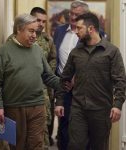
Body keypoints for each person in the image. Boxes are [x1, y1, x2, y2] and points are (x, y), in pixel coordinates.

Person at [0, 13, 60, 150]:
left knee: (36, 145)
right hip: (14, 107)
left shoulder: (37, 50)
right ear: (19, 29)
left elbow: (48, 76)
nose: (34, 35)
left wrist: (65, 83)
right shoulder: (4, 51)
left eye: (36, 32)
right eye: (31, 31)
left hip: (38, 106)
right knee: (17, 146)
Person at [55, 12, 126, 150]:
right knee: (75, 145)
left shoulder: (111, 51)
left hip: (101, 110)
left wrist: (117, 105)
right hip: (78, 109)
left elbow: (120, 80)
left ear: (91, 29)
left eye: (79, 28)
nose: (76, 31)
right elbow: (64, 78)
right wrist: (59, 102)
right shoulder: (76, 52)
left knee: (99, 147)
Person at [53, 1, 89, 149]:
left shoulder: (91, 34)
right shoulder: (60, 31)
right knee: (63, 125)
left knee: (81, 127)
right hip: (63, 87)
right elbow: (54, 57)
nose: (73, 17)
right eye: (71, 13)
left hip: (83, 88)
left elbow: (92, 61)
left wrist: (77, 78)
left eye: (77, 15)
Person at [30, 7, 56, 149]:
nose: (41, 24)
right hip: (26, 89)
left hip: (44, 88)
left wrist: (47, 74)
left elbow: (53, 58)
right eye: (38, 20)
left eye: (43, 21)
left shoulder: (48, 39)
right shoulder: (21, 36)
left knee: (45, 123)